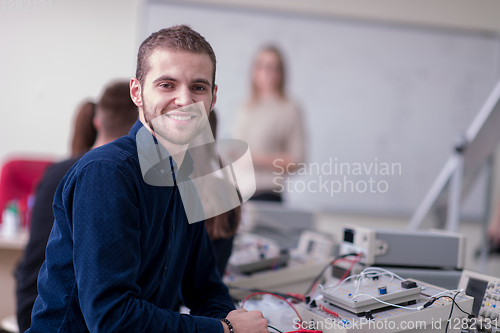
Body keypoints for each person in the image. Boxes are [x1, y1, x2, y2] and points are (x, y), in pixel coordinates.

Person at [28, 25, 267, 333]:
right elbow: (111, 317)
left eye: (198, 87)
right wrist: (223, 330)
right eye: (167, 85)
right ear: (137, 92)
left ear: (213, 97)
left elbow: (206, 287)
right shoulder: (108, 172)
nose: (185, 100)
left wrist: (230, 321)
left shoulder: (190, 173)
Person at [15, 82, 137, 333]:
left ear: (97, 121)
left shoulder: (60, 170)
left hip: (32, 303)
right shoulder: (107, 174)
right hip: (60, 318)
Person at [233, 46, 305, 202]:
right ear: (254, 70)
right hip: (239, 192)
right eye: (263, 66)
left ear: (281, 73)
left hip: (267, 194)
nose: (268, 72)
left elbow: (296, 159)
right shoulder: (246, 107)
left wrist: (255, 159)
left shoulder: (288, 109)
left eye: (274, 68)